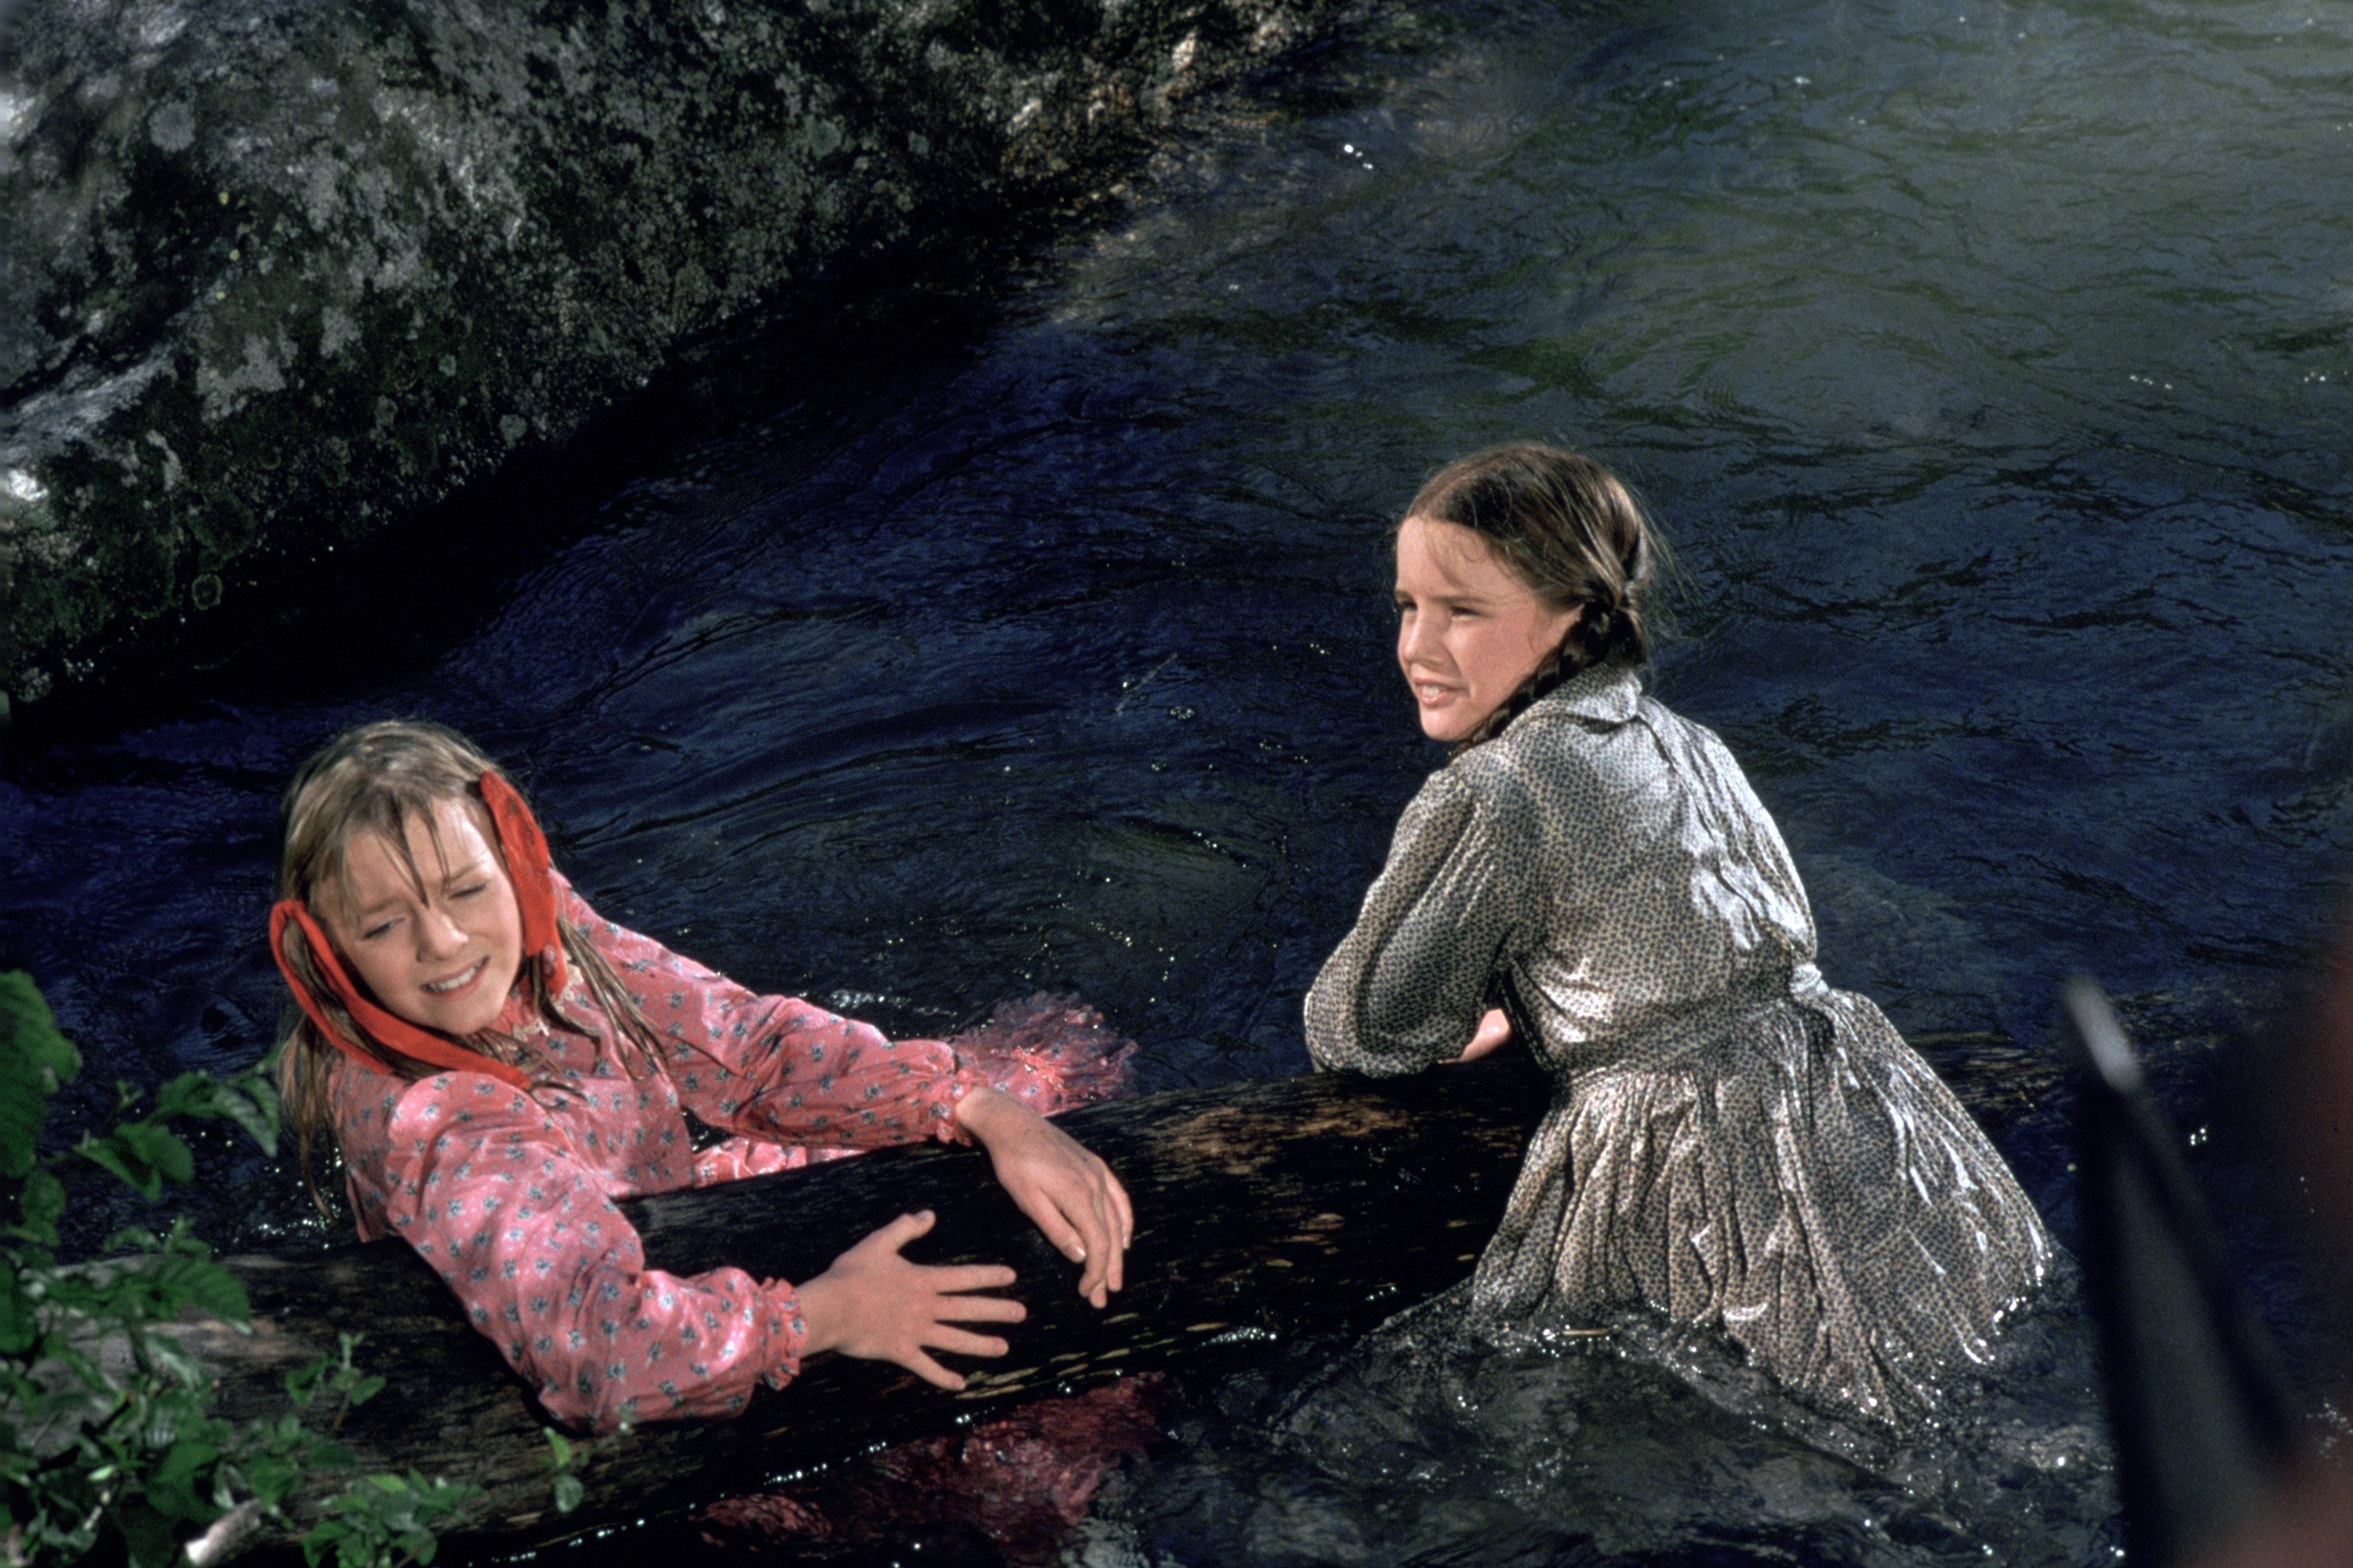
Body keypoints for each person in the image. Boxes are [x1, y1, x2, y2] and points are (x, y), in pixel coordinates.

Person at [1305, 442, 2052, 1421]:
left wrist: (1478, 1017)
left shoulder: (1495, 788)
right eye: (1408, 606)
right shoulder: (1692, 742)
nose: (1417, 645)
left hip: (1687, 1145)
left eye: (1463, 611)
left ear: (1572, 615)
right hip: (1858, 1094)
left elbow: (1357, 1022)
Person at [268, 719, 1134, 1432]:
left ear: (515, 860)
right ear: (324, 955)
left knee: (1047, 1072)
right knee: (1040, 1437)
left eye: (465, 890)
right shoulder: (438, 1119)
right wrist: (827, 1316)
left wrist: (970, 1102)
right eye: (384, 926)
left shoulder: (544, 922)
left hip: (667, 1216)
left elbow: (744, 1049)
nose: (445, 943)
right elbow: (600, 1350)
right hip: (629, 1359)